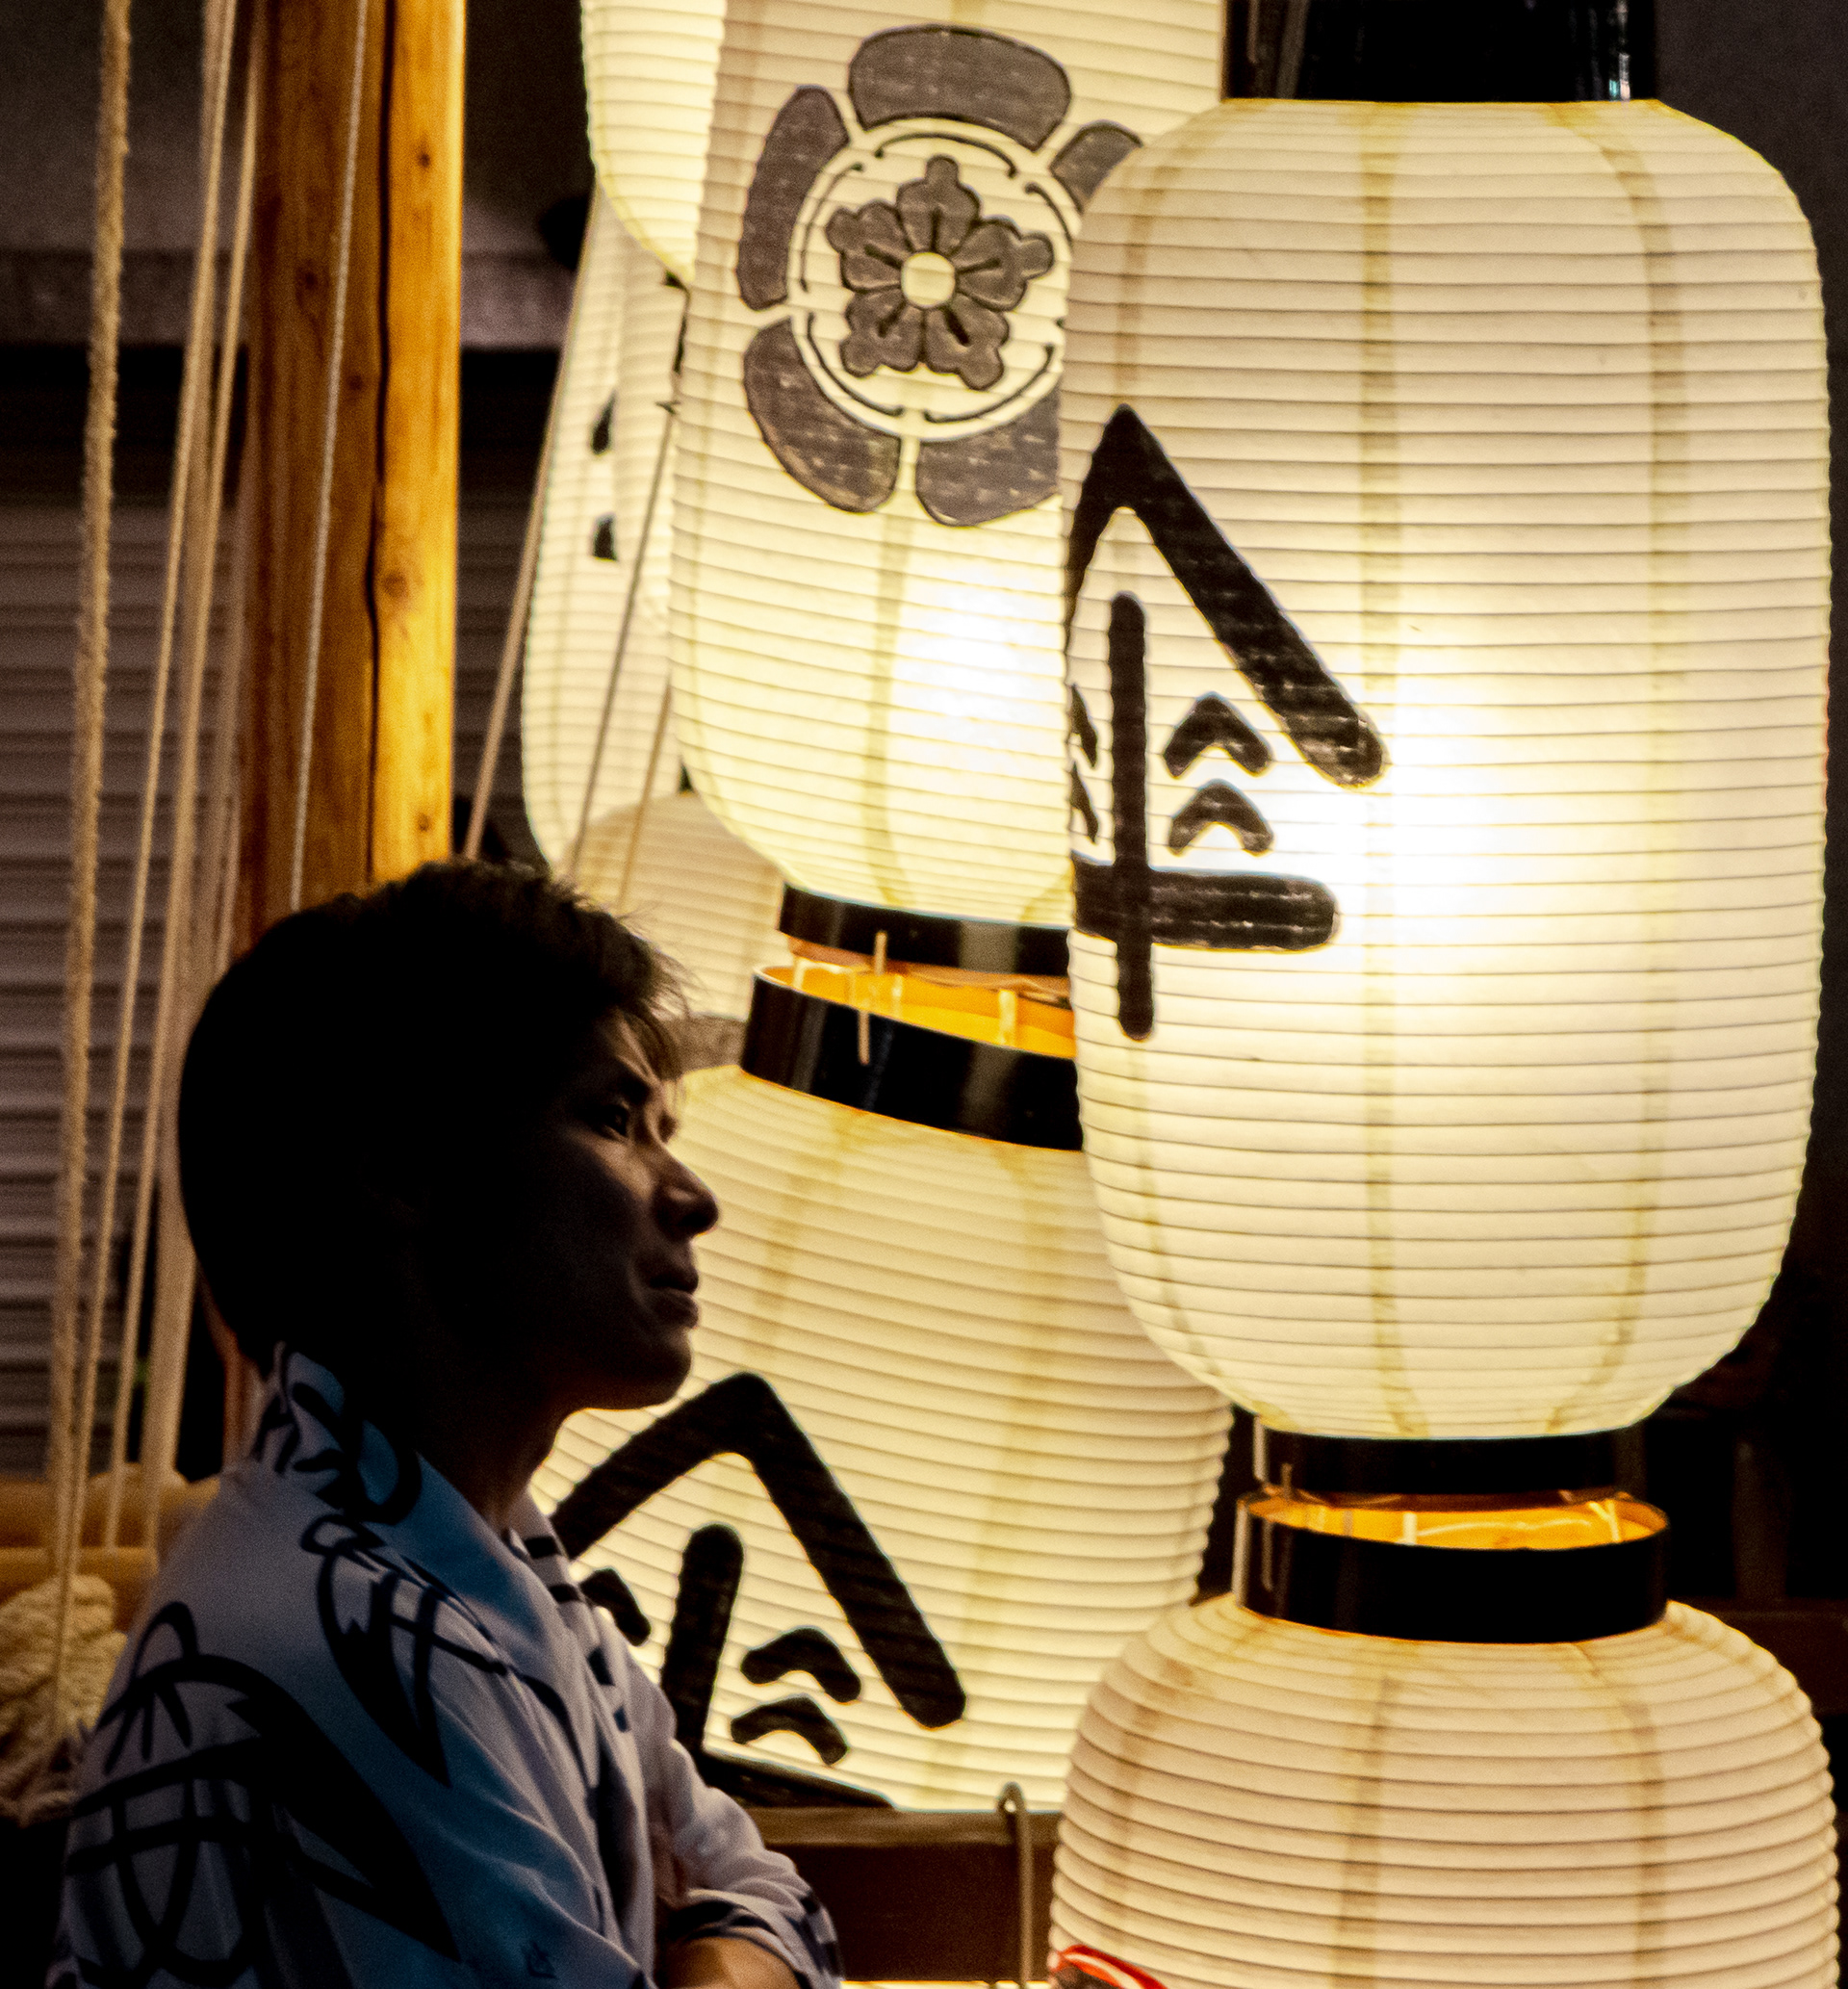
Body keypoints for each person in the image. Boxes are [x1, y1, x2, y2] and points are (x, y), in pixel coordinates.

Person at [51, 862, 843, 1989]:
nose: (692, 1193)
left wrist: (717, 1940)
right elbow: (753, 1910)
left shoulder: (481, 1562)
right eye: (616, 1119)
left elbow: (769, 1890)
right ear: (405, 1171)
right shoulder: (348, 1637)